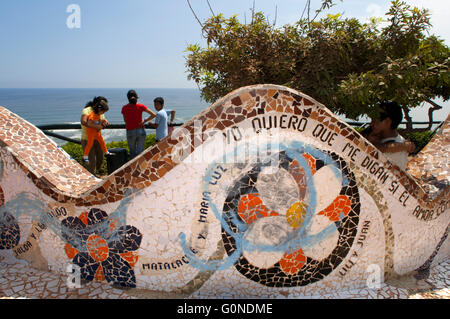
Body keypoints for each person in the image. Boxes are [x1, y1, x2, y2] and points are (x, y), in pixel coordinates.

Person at [362, 101, 416, 170]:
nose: (371, 124)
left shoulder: (396, 151)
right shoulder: (400, 143)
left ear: (387, 121)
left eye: (375, 120)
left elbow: (379, 148)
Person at [121, 90, 156, 159]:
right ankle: (140, 167)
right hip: (140, 130)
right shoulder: (141, 106)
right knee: (140, 152)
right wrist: (144, 121)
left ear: (128, 98)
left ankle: (133, 168)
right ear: (136, 97)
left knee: (132, 152)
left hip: (130, 130)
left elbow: (125, 120)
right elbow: (153, 114)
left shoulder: (124, 108)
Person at [80, 96, 109, 174]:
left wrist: (104, 123)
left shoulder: (101, 111)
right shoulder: (87, 110)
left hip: (97, 137)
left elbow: (101, 120)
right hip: (87, 138)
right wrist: (97, 126)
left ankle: (94, 174)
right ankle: (92, 178)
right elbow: (84, 122)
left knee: (100, 159)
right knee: (91, 161)